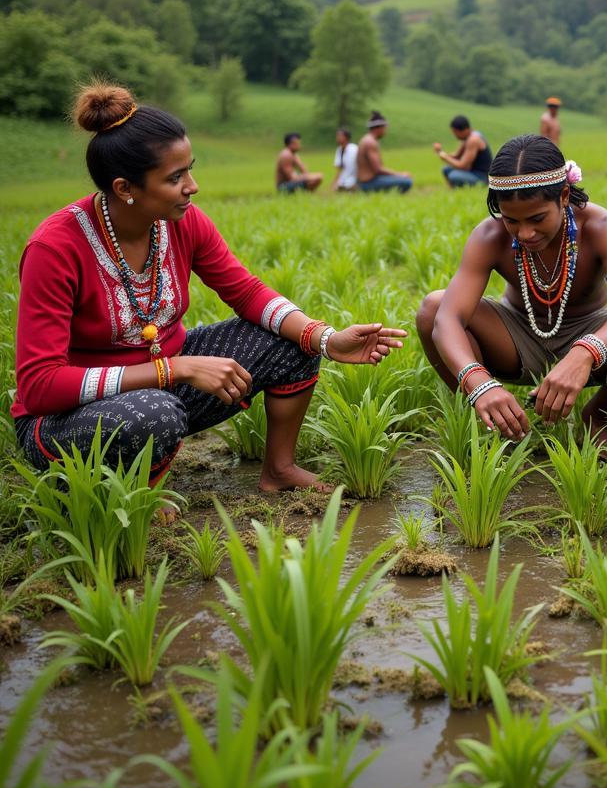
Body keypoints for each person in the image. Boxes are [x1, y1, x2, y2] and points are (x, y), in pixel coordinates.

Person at [13, 83, 406, 509]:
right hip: (65, 421)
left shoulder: (181, 222)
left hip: (163, 381)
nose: (192, 187)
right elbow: (40, 386)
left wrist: (327, 338)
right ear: (126, 187)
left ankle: (279, 469)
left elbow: (247, 291)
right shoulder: (56, 248)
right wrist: (173, 370)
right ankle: (132, 497)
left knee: (294, 340)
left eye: (190, 170)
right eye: (175, 177)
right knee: (155, 411)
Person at [417, 134, 607, 441]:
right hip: (516, 336)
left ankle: (597, 417)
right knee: (433, 308)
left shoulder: (602, 227)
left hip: (590, 331)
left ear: (564, 195)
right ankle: (491, 418)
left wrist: (584, 352)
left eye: (537, 218)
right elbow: (447, 318)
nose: (525, 233)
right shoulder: (489, 237)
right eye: (511, 220)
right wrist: (478, 383)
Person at [357, 111, 413, 193]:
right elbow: (378, 170)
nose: (385, 131)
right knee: (407, 181)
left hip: (366, 181)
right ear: (378, 128)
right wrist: (400, 174)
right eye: (384, 128)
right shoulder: (370, 143)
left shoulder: (366, 139)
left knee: (402, 179)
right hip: (368, 183)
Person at [433, 115, 493, 188]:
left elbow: (463, 166)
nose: (455, 135)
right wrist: (440, 152)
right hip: (472, 171)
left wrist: (445, 157)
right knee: (446, 169)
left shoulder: (473, 140)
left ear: (463, 130)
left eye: (455, 132)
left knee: (453, 176)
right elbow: (457, 156)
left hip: (482, 176)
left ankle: (478, 186)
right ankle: (451, 190)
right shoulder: (468, 136)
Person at [332, 127, 358, 192]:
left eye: (340, 135)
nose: (337, 137)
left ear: (346, 137)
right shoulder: (339, 150)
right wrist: (334, 183)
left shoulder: (354, 149)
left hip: (354, 179)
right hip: (344, 180)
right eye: (337, 135)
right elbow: (339, 169)